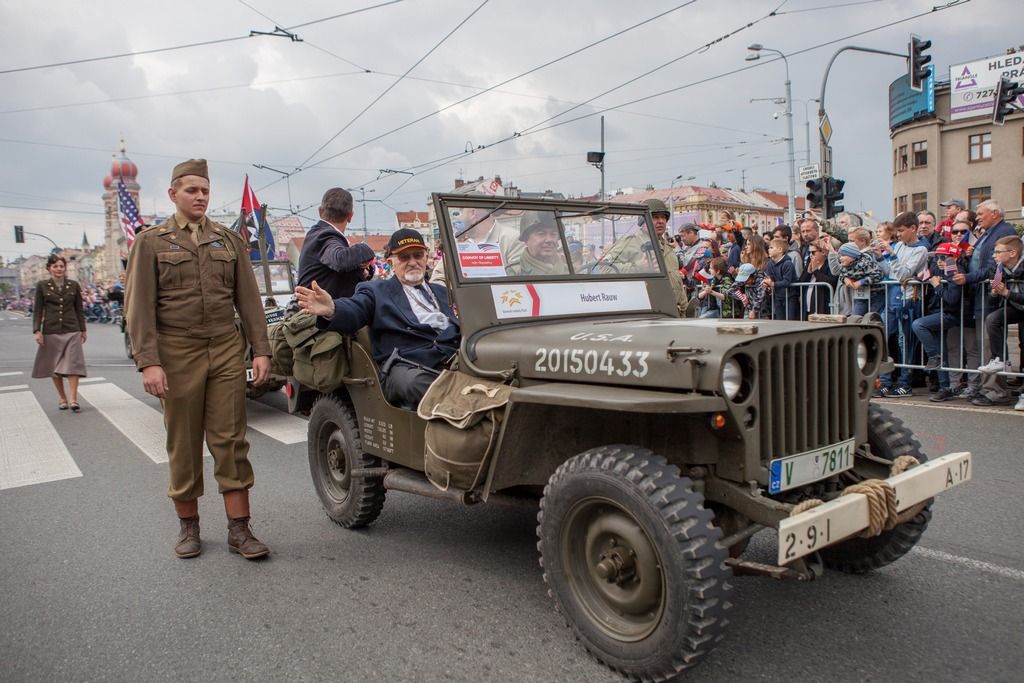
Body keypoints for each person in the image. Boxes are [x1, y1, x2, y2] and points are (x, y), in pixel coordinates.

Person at [125, 158, 272, 561]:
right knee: (184, 442)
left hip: (224, 347)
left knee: (230, 439)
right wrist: (149, 361)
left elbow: (249, 301)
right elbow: (138, 307)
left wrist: (261, 350)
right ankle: (188, 528)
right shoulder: (151, 241)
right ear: (173, 194)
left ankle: (240, 530)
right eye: (192, 190)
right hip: (176, 351)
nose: (200, 197)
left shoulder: (228, 241)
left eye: (205, 190)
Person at [295, 228, 460, 410]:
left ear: (426, 258)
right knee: (420, 384)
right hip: (407, 364)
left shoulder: (442, 292)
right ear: (391, 262)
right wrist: (332, 308)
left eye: (418, 255)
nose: (413, 262)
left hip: (453, 357)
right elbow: (355, 309)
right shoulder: (376, 291)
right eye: (404, 257)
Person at [952, 200, 1017, 403]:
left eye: (981, 214)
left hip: (990, 299)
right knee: (985, 345)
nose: (977, 217)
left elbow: (994, 267)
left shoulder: (1003, 231)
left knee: (989, 345)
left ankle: (996, 391)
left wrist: (968, 278)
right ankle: (989, 387)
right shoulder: (989, 232)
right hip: (981, 299)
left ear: (995, 213)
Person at [874, 211, 929, 398]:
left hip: (908, 299)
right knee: (884, 336)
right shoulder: (897, 245)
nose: (898, 235)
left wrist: (891, 256)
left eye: (902, 230)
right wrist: (881, 258)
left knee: (904, 341)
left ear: (913, 229)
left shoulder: (921, 249)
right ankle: (886, 380)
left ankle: (906, 382)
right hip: (892, 296)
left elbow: (904, 274)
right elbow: (890, 272)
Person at [32, 254, 87, 411]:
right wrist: (37, 330)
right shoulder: (42, 285)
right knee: (55, 366)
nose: (58, 269)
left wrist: (83, 329)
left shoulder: (74, 285)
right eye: (55, 266)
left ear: (65, 268)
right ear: (49, 268)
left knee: (73, 364)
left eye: (61, 266)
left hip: (72, 329)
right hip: (51, 330)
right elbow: (38, 310)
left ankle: (73, 399)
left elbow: (79, 309)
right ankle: (62, 398)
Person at [297, 187, 376, 298]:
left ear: (320, 211)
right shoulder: (324, 236)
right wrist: (364, 249)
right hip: (321, 313)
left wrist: (362, 270)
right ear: (350, 216)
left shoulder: (317, 235)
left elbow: (334, 273)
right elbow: (340, 259)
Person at [911, 242, 965, 402]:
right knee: (941, 350)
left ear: (954, 258)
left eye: (943, 257)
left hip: (949, 314)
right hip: (935, 312)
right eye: (937, 257)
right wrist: (919, 278)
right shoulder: (935, 267)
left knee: (918, 324)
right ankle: (944, 387)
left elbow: (951, 299)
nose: (939, 261)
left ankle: (933, 356)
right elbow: (922, 277)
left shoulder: (956, 272)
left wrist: (936, 286)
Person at [975, 235, 1024, 408]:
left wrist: (1007, 293)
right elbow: (993, 295)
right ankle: (1000, 359)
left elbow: (1011, 294)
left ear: (1012, 253)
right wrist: (995, 293)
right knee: (993, 319)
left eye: (998, 251)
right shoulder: (998, 269)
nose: (994, 255)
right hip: (1016, 308)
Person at [765, 238, 799, 320]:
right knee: (779, 321)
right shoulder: (770, 263)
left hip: (790, 297)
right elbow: (769, 277)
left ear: (780, 250)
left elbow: (787, 281)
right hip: (778, 296)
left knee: (790, 320)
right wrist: (767, 284)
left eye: (771, 248)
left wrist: (773, 284)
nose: (769, 250)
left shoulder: (788, 264)